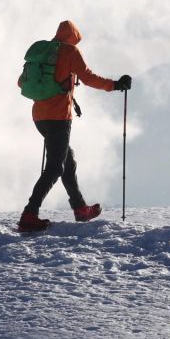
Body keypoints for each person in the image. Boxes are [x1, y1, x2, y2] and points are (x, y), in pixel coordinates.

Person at [17, 20, 131, 232]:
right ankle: (29, 214)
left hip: (39, 116)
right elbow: (88, 78)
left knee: (67, 161)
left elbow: (21, 82)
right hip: (59, 117)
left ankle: (80, 209)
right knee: (55, 167)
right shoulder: (70, 51)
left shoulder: (42, 53)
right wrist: (115, 85)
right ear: (74, 37)